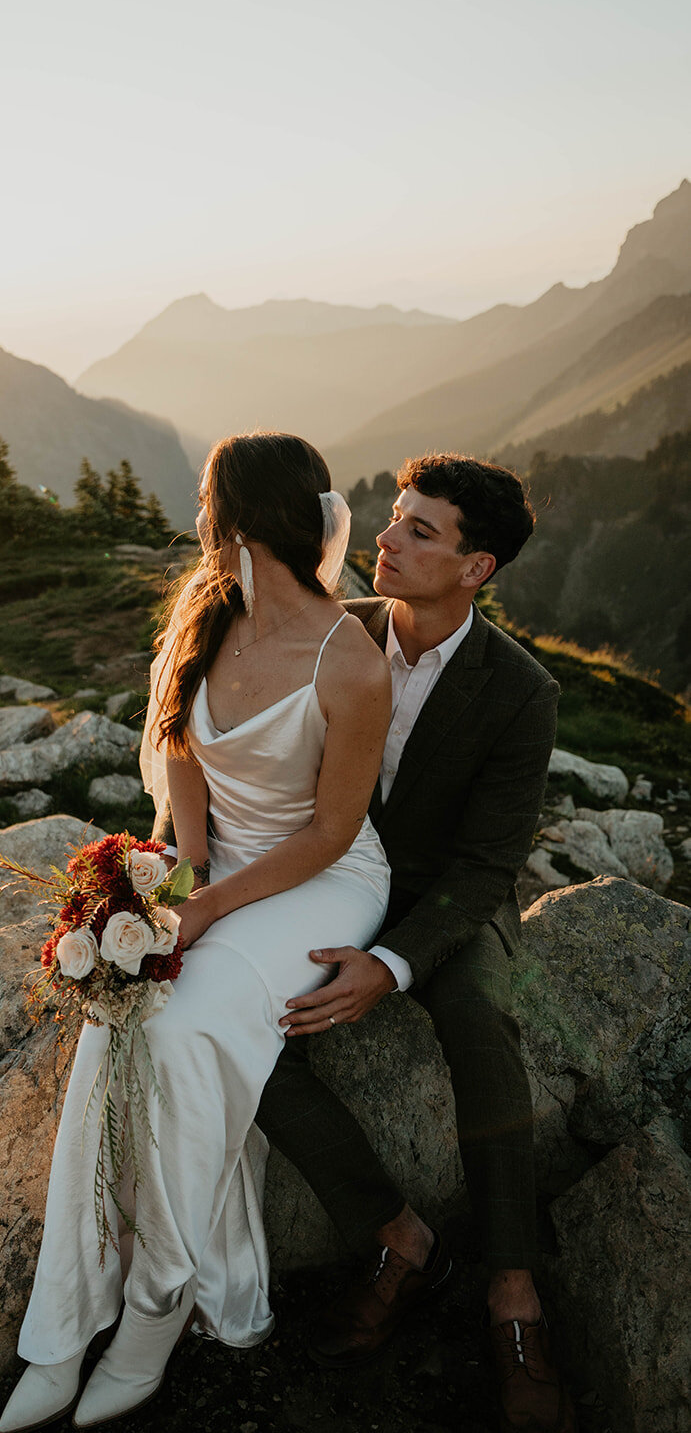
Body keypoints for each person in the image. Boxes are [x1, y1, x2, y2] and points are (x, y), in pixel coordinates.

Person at [0, 432, 392, 1433]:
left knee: (179, 1028)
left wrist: (212, 907)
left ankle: (155, 1303)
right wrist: (181, 876)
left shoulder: (349, 660)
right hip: (215, 863)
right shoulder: (200, 617)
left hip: (318, 878)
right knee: (111, 1024)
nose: (198, 522)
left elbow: (333, 829)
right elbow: (177, 756)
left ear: (246, 521)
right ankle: (61, 1322)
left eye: (208, 505)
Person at [254, 453, 575, 1433]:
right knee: (237, 1019)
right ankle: (394, 1232)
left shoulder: (521, 691)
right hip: (327, 883)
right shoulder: (332, 636)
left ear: (475, 567)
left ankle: (510, 1292)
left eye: (417, 530)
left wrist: (390, 965)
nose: (381, 539)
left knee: (482, 1022)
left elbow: (486, 866)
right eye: (391, 518)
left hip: (444, 901)